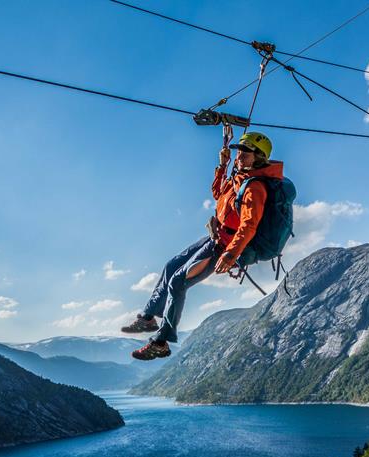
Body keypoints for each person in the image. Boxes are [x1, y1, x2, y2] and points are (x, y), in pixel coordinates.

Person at [121, 131, 284, 360]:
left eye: (244, 152)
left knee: (178, 282)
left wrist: (230, 255)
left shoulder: (254, 187)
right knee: (171, 266)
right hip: (215, 237)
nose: (240, 155)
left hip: (223, 247)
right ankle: (148, 318)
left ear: (258, 157)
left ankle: (161, 342)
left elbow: (249, 226)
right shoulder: (239, 179)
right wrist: (223, 165)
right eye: (239, 151)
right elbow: (218, 194)